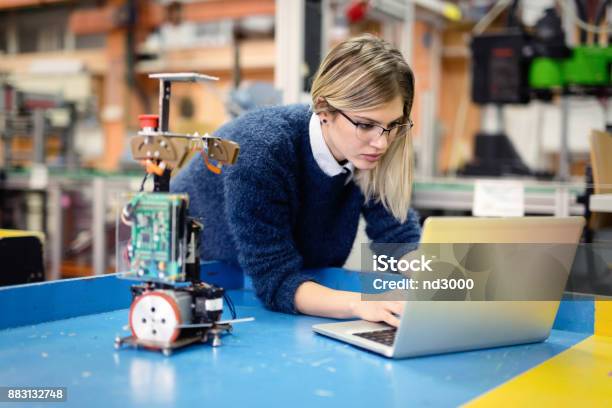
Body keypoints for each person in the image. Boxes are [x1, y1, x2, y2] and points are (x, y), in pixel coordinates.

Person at [171, 34, 421, 327]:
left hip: (268, 285)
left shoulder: (368, 151)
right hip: (186, 278)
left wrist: (450, 283)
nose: (382, 142)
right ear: (324, 109)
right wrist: (364, 304)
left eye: (393, 126)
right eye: (366, 125)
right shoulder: (261, 150)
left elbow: (398, 242)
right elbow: (277, 280)